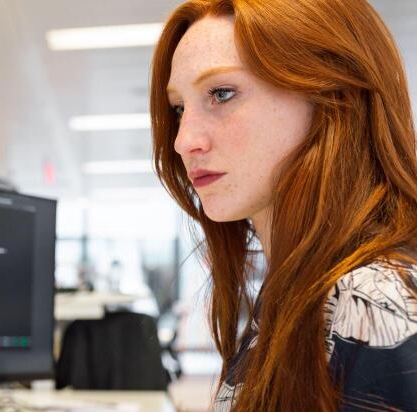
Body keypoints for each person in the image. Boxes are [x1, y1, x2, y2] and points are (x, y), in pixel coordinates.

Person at [150, 0, 417, 410]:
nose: (184, 141)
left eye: (222, 93)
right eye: (179, 109)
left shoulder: (372, 298)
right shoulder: (298, 289)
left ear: (333, 95)